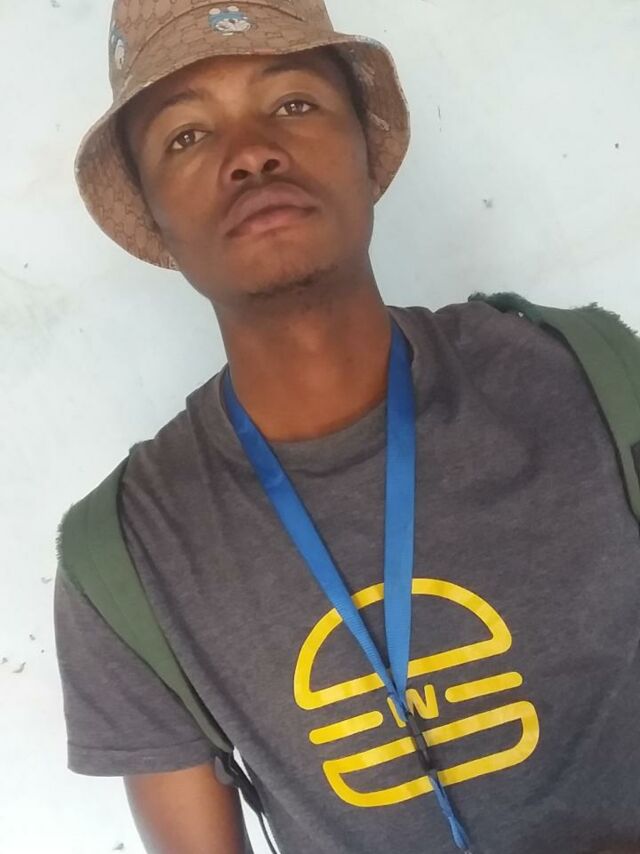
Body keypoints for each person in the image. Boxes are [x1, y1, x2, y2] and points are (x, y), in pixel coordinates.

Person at [53, 1, 640, 853]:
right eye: (187, 136)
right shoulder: (125, 556)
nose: (251, 153)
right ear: (154, 221)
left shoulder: (591, 378)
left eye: (293, 103)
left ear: (368, 151)